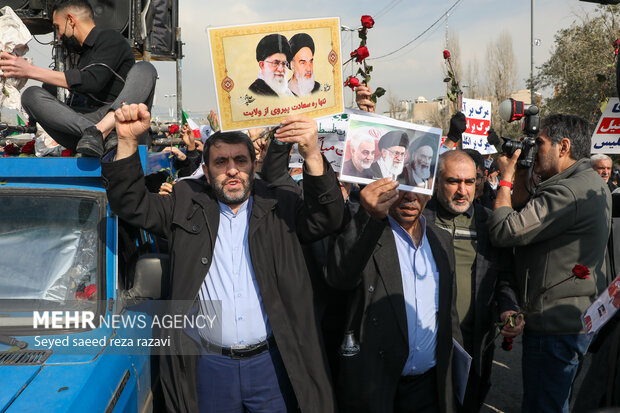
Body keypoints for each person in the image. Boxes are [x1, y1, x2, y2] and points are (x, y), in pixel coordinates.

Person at [102, 103, 343, 413]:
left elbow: (330, 217)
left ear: (254, 165)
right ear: (207, 168)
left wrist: (311, 154)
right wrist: (126, 141)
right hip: (209, 367)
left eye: (240, 160)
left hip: (272, 365)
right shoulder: (185, 201)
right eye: (221, 162)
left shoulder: (280, 204)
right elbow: (130, 204)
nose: (232, 170)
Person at [487, 114, 612, 413]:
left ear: (564, 147)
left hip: (554, 328)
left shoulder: (568, 192)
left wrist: (505, 179)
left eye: (540, 143)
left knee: (544, 406)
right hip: (573, 320)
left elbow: (504, 231)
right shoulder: (587, 182)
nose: (535, 149)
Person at [326, 178, 462, 413]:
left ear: (431, 190)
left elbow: (448, 313)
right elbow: (340, 277)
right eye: (400, 187)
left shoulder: (441, 240)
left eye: (418, 187)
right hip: (376, 388)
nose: (410, 197)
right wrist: (368, 216)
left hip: (427, 389)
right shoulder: (368, 232)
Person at [422, 150, 522, 412]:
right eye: (453, 181)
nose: (462, 190)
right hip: (425, 341)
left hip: (473, 342)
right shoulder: (417, 220)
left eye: (469, 182)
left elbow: (505, 278)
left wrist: (508, 307)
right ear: (436, 181)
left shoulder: (489, 223)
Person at [0, 0, 157, 157]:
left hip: (123, 122)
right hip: (86, 132)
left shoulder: (110, 38)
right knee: (30, 95)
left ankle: (102, 130)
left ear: (70, 20)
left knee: (145, 68)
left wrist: (29, 70)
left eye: (57, 27)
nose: (59, 35)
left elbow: (92, 81)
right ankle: (98, 133)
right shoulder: (79, 54)